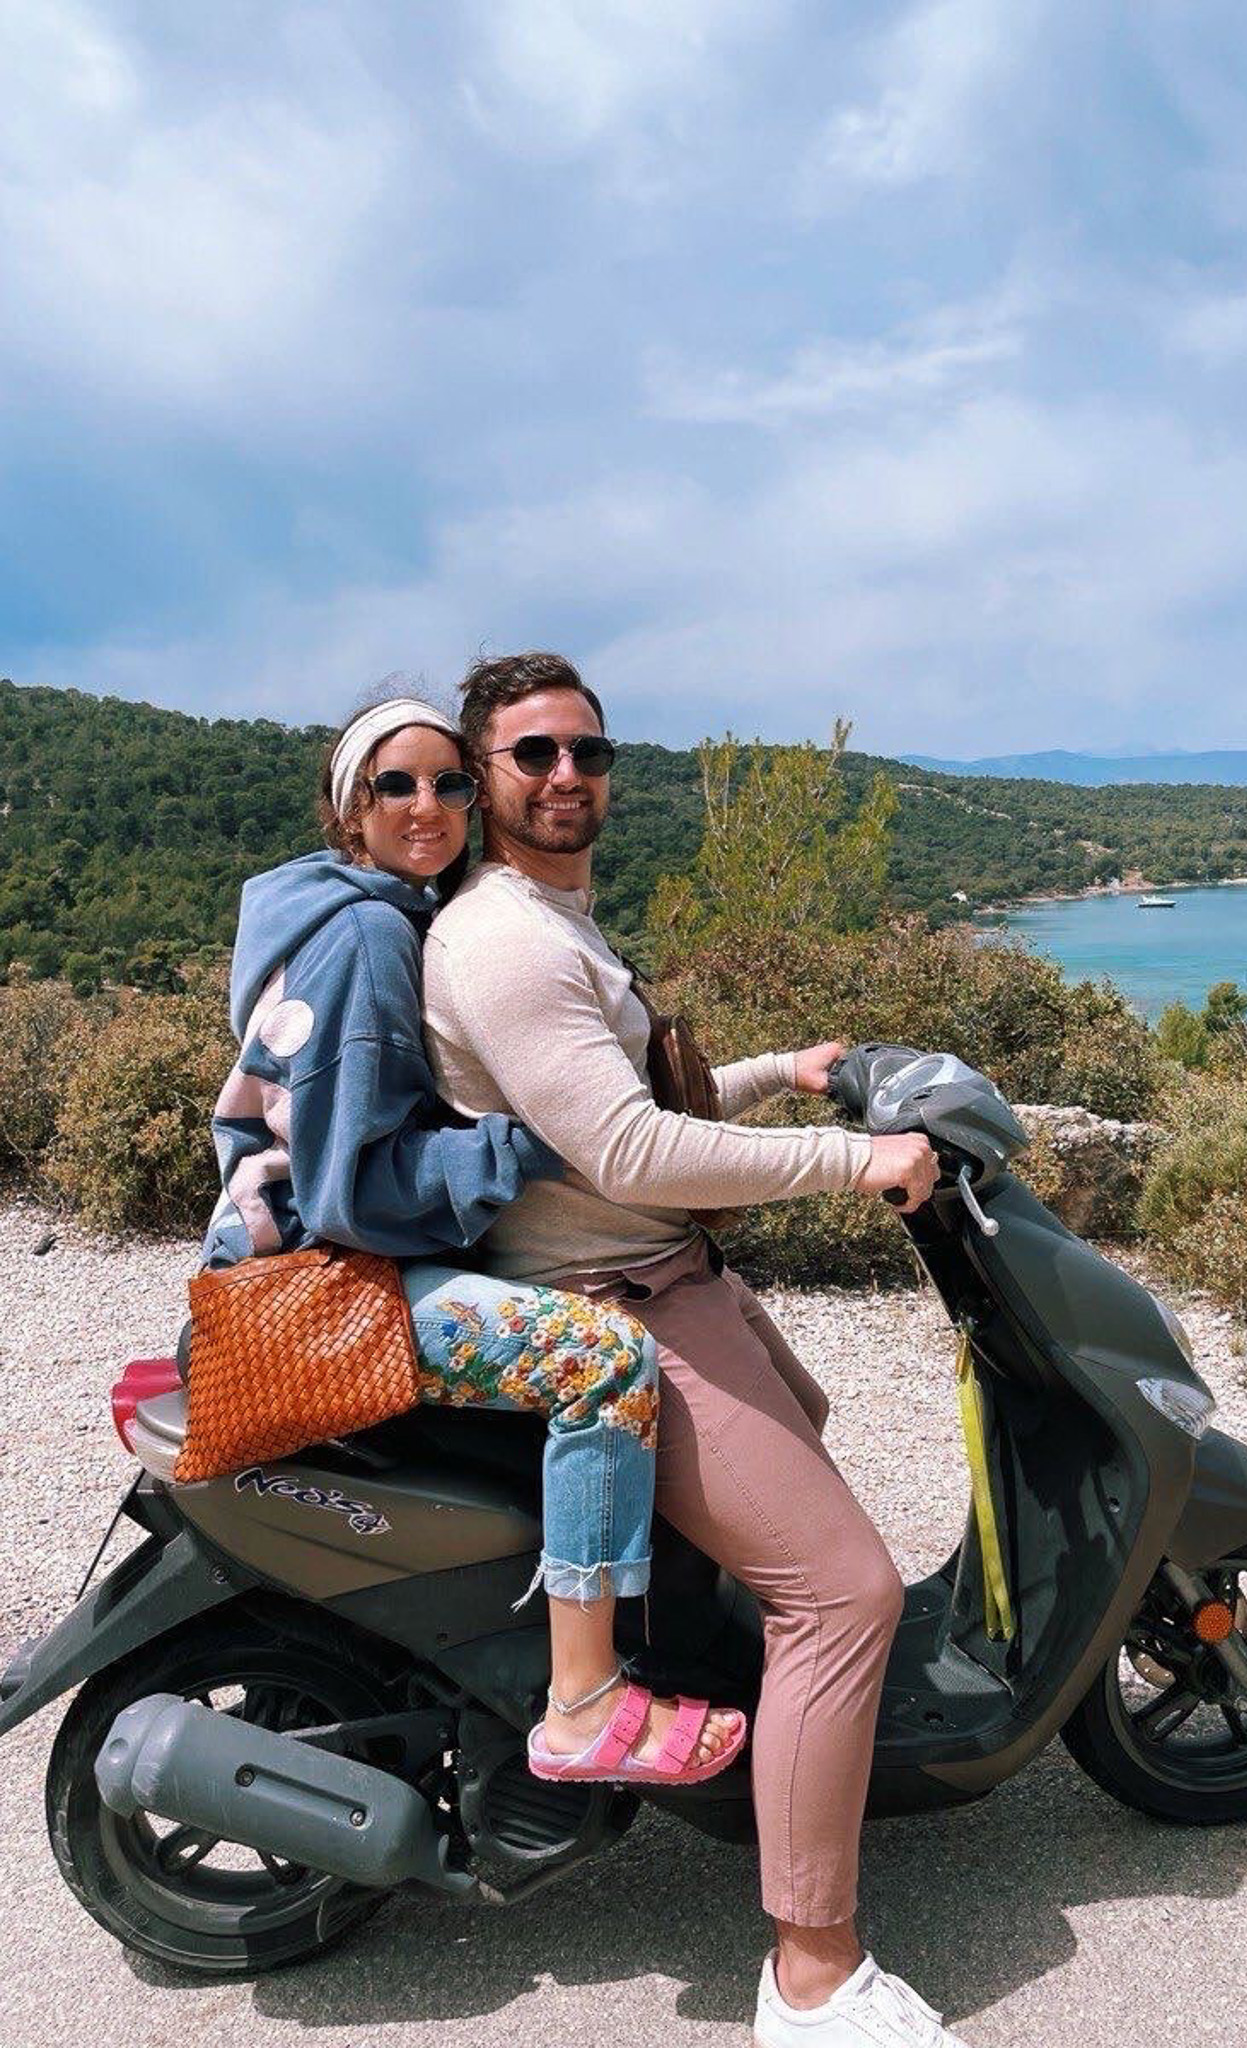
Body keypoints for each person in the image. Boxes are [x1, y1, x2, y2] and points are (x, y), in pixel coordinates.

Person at [422, 652, 970, 2048]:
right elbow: (624, 1149)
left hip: (666, 1270)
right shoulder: (505, 941)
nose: (565, 778)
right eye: (533, 754)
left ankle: (770, 1748)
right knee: (842, 1594)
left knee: (812, 1424)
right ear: (483, 779)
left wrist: (776, 1070)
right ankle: (812, 1972)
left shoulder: (556, 922)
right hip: (620, 1296)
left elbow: (606, 1104)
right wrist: (850, 1162)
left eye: (588, 755)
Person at [202, 694, 744, 1786]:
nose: (427, 803)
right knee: (600, 1357)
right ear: (348, 811)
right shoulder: (363, 935)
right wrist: (524, 1143)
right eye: (394, 784)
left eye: (448, 782)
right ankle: (584, 1700)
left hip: (344, 1262)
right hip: (329, 1279)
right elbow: (351, 1188)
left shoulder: (375, 912)